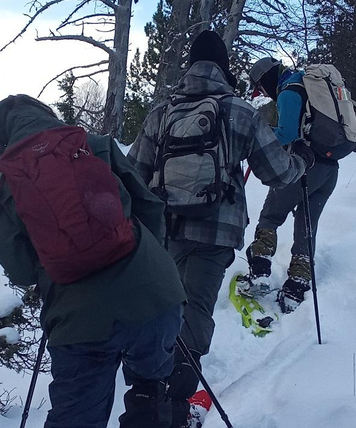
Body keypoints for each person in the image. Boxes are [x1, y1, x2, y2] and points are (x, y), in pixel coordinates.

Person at [127, 30, 312, 428]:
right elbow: (278, 173)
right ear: (224, 68)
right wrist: (301, 162)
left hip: (164, 234)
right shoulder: (239, 111)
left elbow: (133, 175)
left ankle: (147, 401)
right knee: (193, 317)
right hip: (214, 235)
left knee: (163, 314)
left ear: (190, 65)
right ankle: (174, 412)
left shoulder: (161, 112)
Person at [0, 94, 186, 428]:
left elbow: (20, 270)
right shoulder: (95, 145)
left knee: (76, 418)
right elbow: (150, 207)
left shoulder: (5, 187)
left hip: (78, 323)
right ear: (46, 114)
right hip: (155, 296)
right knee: (150, 390)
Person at [246, 57, 351, 314]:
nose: (265, 94)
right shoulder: (311, 87)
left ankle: (259, 273)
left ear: (267, 80)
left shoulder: (290, 91)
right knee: (307, 224)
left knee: (271, 216)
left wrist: (257, 134)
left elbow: (287, 134)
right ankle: (296, 285)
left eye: (262, 88)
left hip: (304, 167)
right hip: (329, 170)